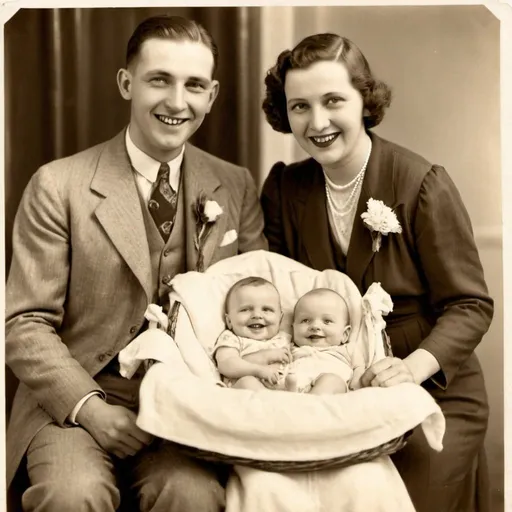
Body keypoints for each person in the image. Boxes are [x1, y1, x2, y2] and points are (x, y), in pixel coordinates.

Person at [5, 15, 267, 512]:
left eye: (193, 85)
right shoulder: (58, 185)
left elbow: (257, 300)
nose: (176, 101)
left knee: (191, 496)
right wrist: (90, 409)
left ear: (211, 95)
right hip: (76, 400)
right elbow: (24, 323)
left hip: (189, 409)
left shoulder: (234, 185)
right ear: (127, 83)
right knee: (72, 495)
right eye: (159, 79)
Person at [260, 32, 493, 512]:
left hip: (428, 387)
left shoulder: (421, 183)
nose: (317, 122)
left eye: (333, 101)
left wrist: (411, 369)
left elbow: (470, 305)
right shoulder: (285, 187)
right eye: (300, 106)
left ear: (364, 100)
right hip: (332, 385)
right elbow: (281, 296)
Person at [213, 277, 292, 390]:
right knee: (247, 382)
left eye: (266, 309)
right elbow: (226, 364)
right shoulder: (232, 339)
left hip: (284, 390)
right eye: (245, 309)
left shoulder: (284, 338)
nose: (257, 315)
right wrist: (260, 368)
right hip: (248, 393)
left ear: (280, 319)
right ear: (229, 321)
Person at [288, 288, 353, 394]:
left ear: (344, 334)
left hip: (328, 390)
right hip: (292, 387)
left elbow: (360, 367)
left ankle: (308, 405)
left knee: (331, 380)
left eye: (327, 321)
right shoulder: (288, 348)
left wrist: (357, 379)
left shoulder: (347, 350)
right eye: (305, 320)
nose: (315, 326)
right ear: (293, 329)